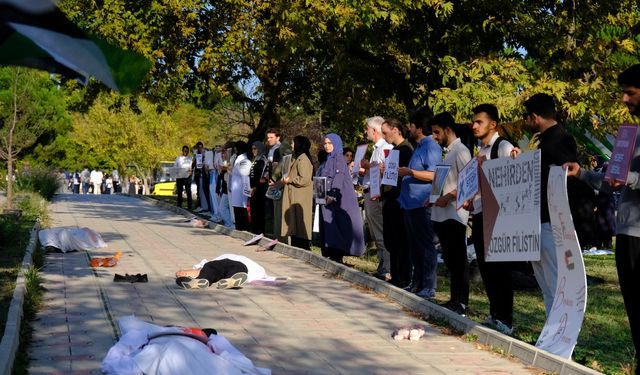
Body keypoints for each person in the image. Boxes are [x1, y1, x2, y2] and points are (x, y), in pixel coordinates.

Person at [565, 64, 640, 374]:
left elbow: (628, 179)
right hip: (627, 233)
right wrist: (582, 174)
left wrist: (631, 179)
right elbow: (614, 179)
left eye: (630, 93)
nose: (624, 100)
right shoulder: (632, 135)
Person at [523, 93, 579, 316]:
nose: (525, 122)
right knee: (545, 281)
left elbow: (566, 177)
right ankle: (551, 327)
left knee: (555, 280)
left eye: (526, 117)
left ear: (535, 116)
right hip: (539, 218)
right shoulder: (545, 140)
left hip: (552, 220)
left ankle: (560, 329)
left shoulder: (559, 139)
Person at [465, 103, 517, 335]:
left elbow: (513, 182)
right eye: (474, 121)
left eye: (479, 122)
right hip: (479, 214)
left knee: (500, 269)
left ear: (493, 124)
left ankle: (506, 318)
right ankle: (495, 313)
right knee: (486, 267)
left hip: (499, 217)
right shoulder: (480, 149)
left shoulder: (502, 147)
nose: (474, 125)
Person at [397, 107, 442, 299]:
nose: (409, 128)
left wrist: (410, 173)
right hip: (409, 204)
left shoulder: (431, 146)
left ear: (419, 128)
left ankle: (429, 286)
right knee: (414, 246)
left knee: (425, 246)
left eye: (411, 125)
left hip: (421, 204)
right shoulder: (419, 147)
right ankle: (417, 283)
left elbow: (434, 175)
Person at [430, 112, 472, 316]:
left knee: (458, 259)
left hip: (455, 215)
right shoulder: (448, 152)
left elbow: (468, 182)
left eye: (437, 132)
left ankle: (462, 302)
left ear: (448, 129)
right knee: (449, 259)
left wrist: (448, 197)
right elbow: (443, 181)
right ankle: (454, 299)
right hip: (441, 214)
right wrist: (432, 197)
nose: (435, 137)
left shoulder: (462, 151)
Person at [319, 133, 365, 263]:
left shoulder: (338, 158)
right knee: (331, 224)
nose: (327, 146)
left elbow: (338, 177)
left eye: (330, 143)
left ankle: (337, 254)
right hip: (329, 197)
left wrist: (333, 195)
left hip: (338, 198)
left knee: (337, 224)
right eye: (325, 143)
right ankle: (333, 252)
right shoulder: (330, 158)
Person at [380, 118, 413, 288]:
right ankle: (395, 274)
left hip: (400, 201)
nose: (384, 136)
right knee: (391, 239)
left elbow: (404, 175)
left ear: (396, 130)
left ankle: (403, 276)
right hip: (390, 200)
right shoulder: (395, 150)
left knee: (400, 239)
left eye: (385, 132)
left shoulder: (406, 149)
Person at [360, 116, 394, 281]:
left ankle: (386, 267)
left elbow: (385, 170)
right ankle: (383, 265)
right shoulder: (376, 148)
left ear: (374, 130)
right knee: (375, 231)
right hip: (371, 192)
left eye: (367, 129)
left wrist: (368, 166)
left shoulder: (385, 147)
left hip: (377, 194)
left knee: (380, 231)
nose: (366, 132)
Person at [281, 135, 314, 250]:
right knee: (295, 225)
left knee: (300, 225)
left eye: (293, 143)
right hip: (296, 196)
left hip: (300, 197)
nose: (291, 145)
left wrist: (290, 180)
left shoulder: (303, 160)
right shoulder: (298, 158)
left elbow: (304, 179)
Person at [230, 141, 252, 231]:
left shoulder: (244, 159)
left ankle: (243, 229)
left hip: (241, 190)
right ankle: (239, 228)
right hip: (236, 189)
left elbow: (244, 175)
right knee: (237, 209)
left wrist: (246, 189)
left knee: (241, 211)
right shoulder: (238, 158)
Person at [249, 141, 269, 234]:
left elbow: (262, 177)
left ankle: (260, 231)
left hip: (260, 190)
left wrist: (255, 187)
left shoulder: (263, 160)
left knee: (259, 210)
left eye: (255, 148)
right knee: (253, 210)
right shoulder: (255, 159)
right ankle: (255, 230)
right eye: (252, 148)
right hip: (253, 189)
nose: (253, 151)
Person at [175, 145, 193, 210]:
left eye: (187, 151)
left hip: (187, 176)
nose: (186, 152)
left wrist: (191, 171)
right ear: (182, 151)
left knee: (188, 191)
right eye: (184, 151)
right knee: (179, 191)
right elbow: (175, 167)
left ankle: (189, 206)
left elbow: (191, 167)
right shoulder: (178, 158)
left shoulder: (190, 158)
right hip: (180, 176)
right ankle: (179, 205)